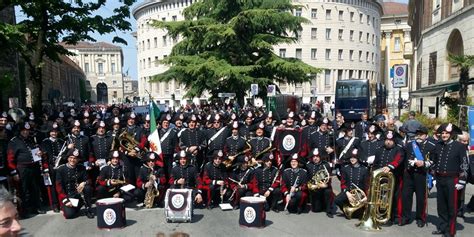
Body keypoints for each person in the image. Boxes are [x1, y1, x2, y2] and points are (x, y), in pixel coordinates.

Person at [431, 123, 468, 237]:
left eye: (446, 133)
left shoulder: (459, 146)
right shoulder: (437, 145)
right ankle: (442, 227)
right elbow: (434, 162)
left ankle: (450, 231)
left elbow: (464, 165)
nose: (444, 135)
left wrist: (462, 180)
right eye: (442, 133)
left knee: (451, 206)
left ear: (451, 134)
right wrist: (433, 176)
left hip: (453, 180)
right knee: (441, 205)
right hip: (440, 178)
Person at [7, 122, 46, 218]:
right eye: (23, 130)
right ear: (20, 131)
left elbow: (35, 152)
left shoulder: (30, 140)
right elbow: (10, 158)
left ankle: (36, 207)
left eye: (27, 130)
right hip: (22, 168)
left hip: (33, 167)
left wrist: (40, 153)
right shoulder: (14, 141)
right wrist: (14, 172)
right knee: (23, 190)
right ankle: (23, 211)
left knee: (34, 188)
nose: (26, 132)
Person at [400, 126, 435, 227]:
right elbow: (403, 157)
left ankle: (420, 218)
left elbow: (433, 161)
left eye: (421, 134)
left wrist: (424, 163)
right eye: (417, 134)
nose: (419, 136)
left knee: (421, 198)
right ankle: (405, 217)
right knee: (406, 196)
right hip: (409, 174)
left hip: (421, 175)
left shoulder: (431, 146)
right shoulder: (409, 145)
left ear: (426, 136)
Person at [55, 148, 94, 219]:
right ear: (67, 158)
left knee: (88, 188)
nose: (72, 160)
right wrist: (66, 200)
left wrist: (84, 183)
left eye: (75, 158)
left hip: (78, 194)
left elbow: (89, 180)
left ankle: (88, 208)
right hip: (67, 196)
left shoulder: (81, 168)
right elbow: (59, 187)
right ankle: (75, 205)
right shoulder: (61, 169)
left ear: (78, 160)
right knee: (69, 215)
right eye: (71, 158)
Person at [334, 149, 369, 219]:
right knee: (337, 200)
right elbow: (343, 183)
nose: (352, 159)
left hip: (360, 195)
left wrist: (366, 196)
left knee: (358, 216)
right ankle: (346, 210)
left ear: (358, 158)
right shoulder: (345, 168)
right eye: (351, 157)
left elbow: (367, 185)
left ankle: (356, 210)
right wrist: (347, 193)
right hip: (349, 192)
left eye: (354, 158)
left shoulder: (364, 169)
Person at [306, 149, 334, 218]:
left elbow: (329, 178)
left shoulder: (326, 165)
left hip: (324, 187)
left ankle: (328, 210)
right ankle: (322, 204)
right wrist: (313, 185)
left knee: (328, 191)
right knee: (316, 210)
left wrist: (326, 185)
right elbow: (307, 178)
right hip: (315, 189)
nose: (315, 158)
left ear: (320, 157)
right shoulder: (309, 165)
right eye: (314, 157)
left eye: (317, 156)